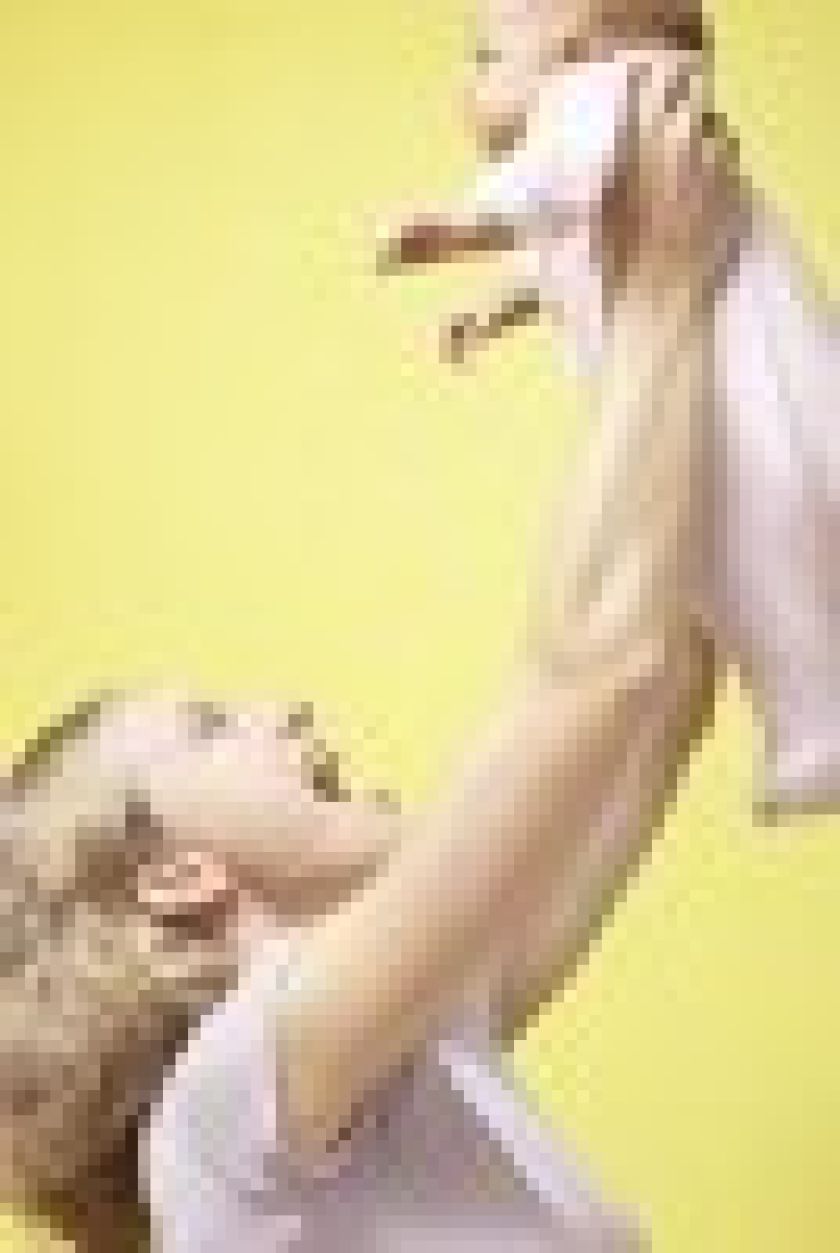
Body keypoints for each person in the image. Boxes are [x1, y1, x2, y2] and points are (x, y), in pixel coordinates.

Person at [379, 0, 838, 1029]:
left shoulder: (611, 100)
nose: (466, 80)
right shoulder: (631, 148)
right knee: (758, 566)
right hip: (717, 402)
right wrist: (503, 301)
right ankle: (814, 712)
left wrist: (457, 227)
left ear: (582, 53)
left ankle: (817, 718)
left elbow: (549, 188)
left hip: (735, 404)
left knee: (760, 554)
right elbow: (567, 243)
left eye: (485, 54)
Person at [2, 690, 646, 1252]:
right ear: (178, 877)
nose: (289, 712)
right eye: (209, 727)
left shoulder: (398, 1047)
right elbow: (584, 684)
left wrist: (677, 632)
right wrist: (621, 640)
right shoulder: (222, 1100)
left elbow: (633, 736)